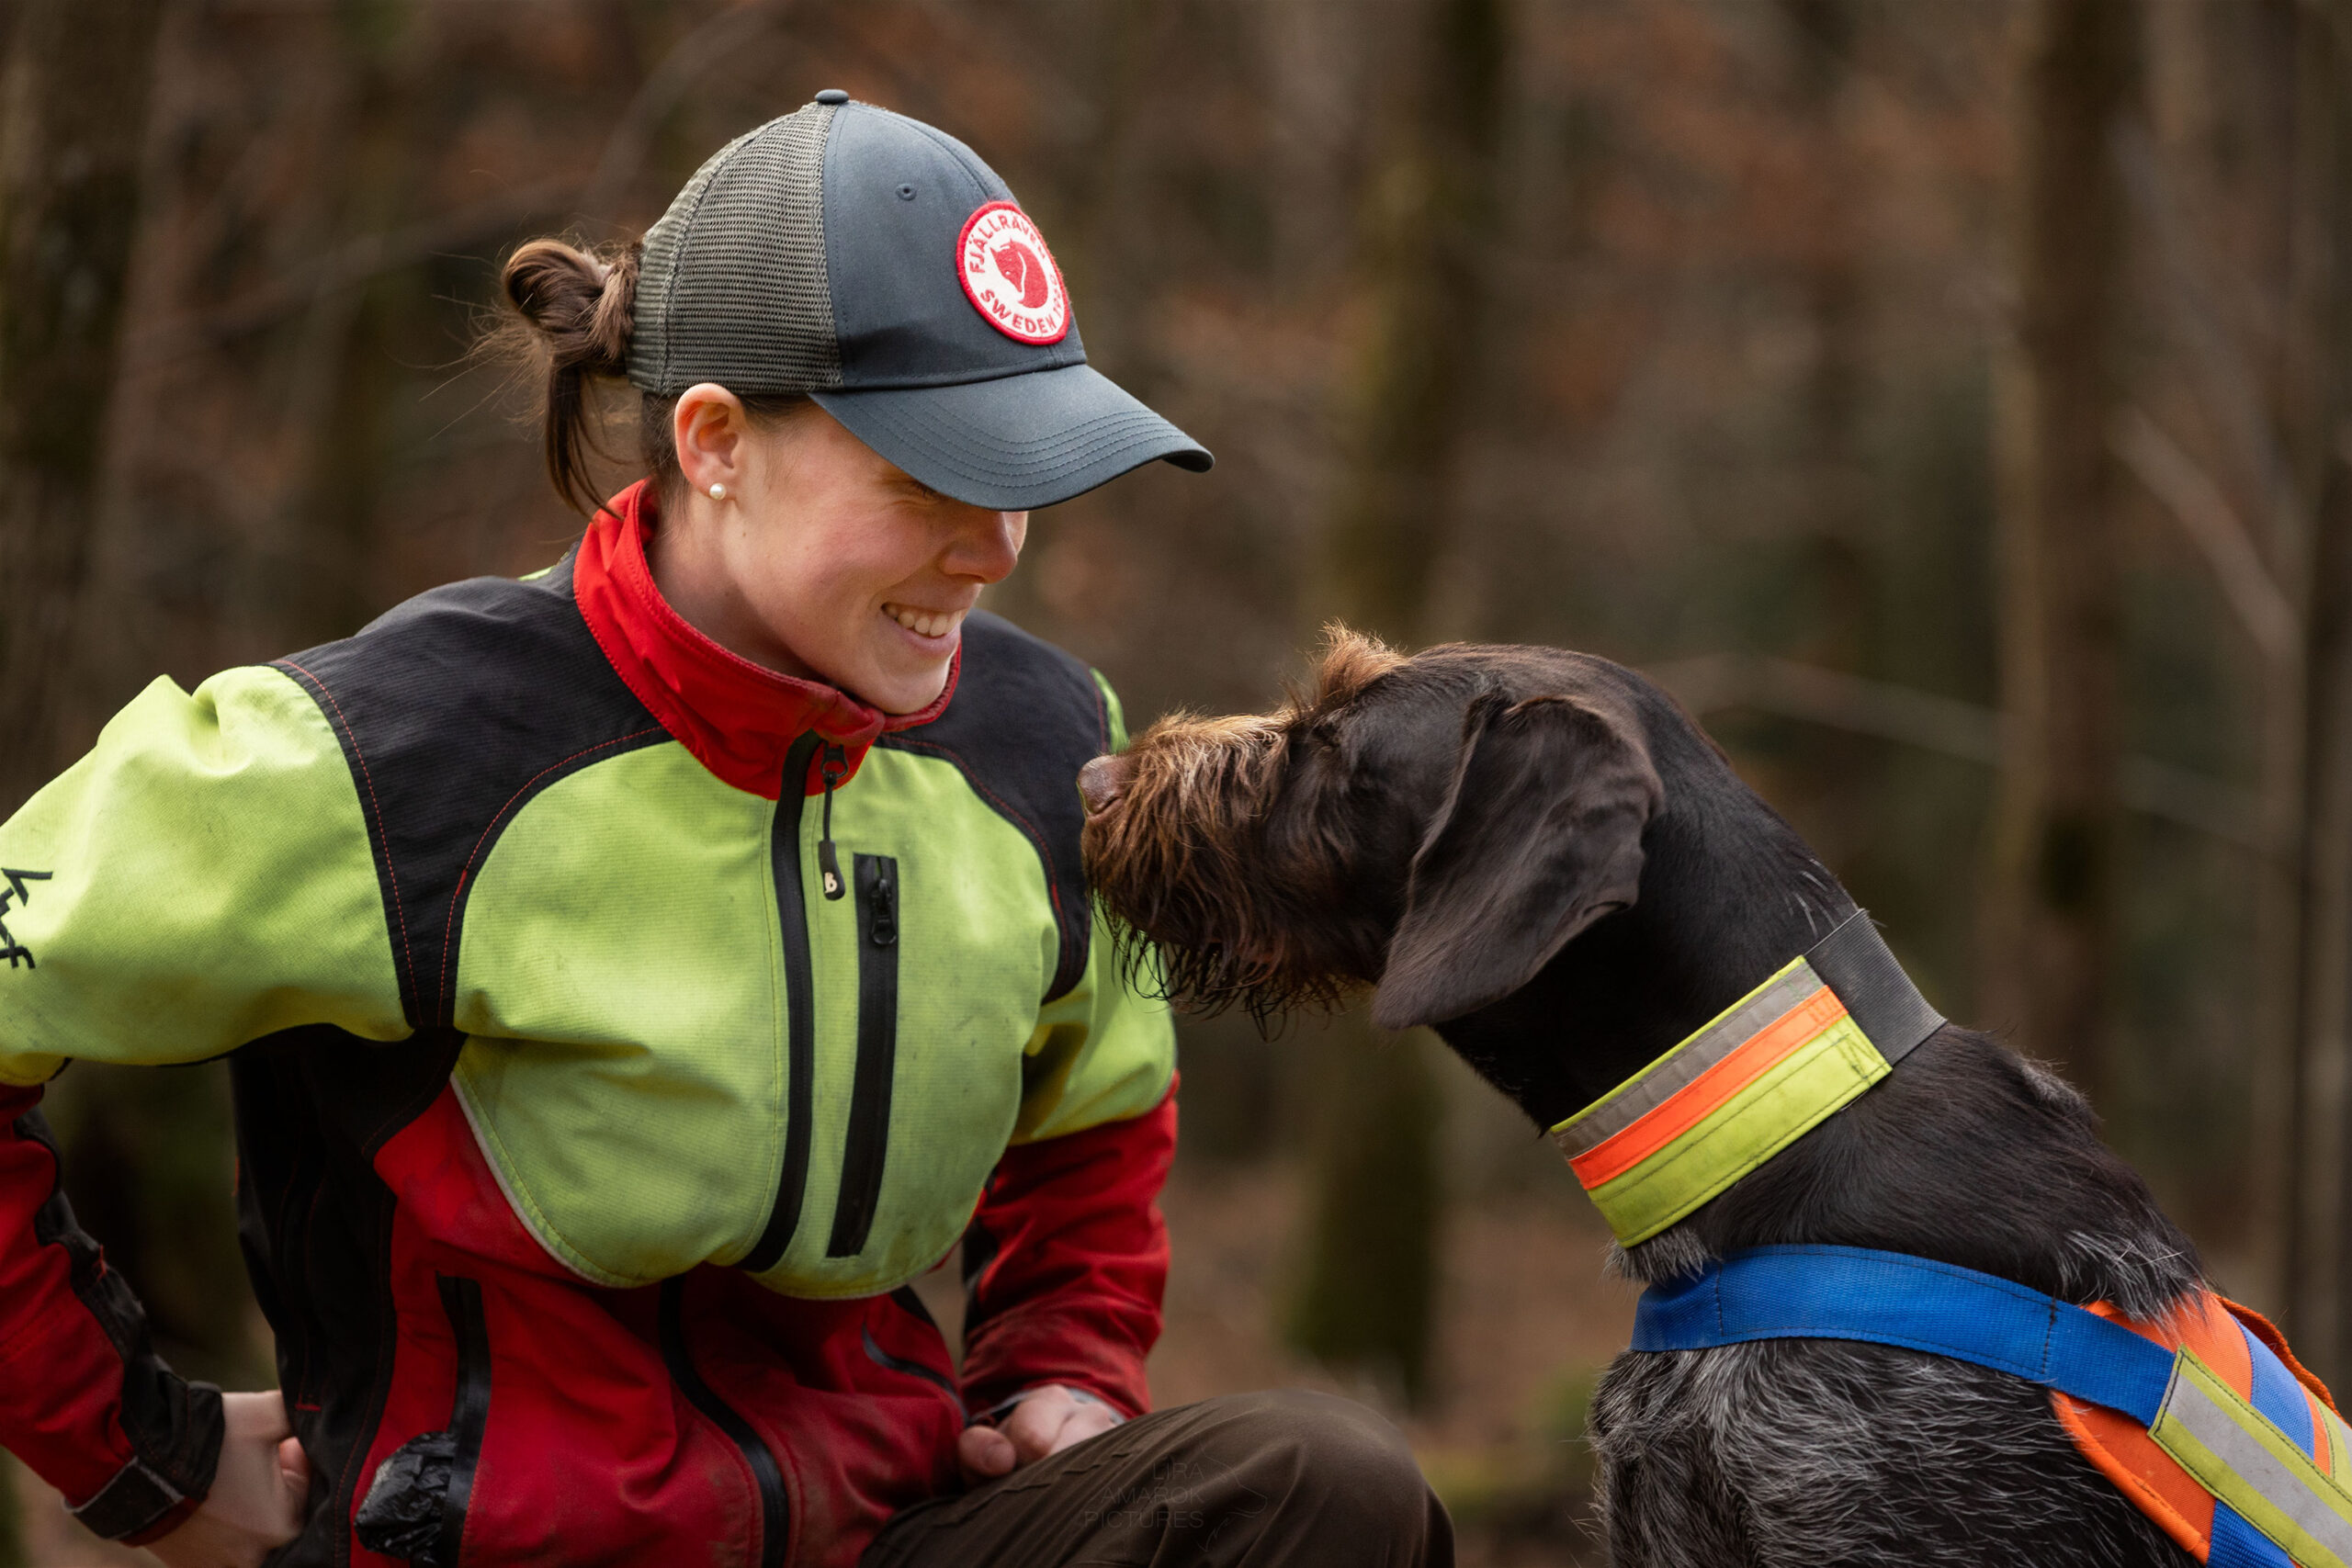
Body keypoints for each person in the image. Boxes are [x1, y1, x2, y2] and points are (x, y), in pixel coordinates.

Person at [0, 94, 1453, 1567]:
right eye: (931, 476)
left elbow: (1099, 1110)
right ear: (713, 444)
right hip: (489, 1550)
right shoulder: (376, 758)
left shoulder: (1050, 740)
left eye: (1027, 471)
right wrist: (140, 1456)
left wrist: (1061, 1370)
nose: (998, 543)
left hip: (895, 1534)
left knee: (1329, 1491)